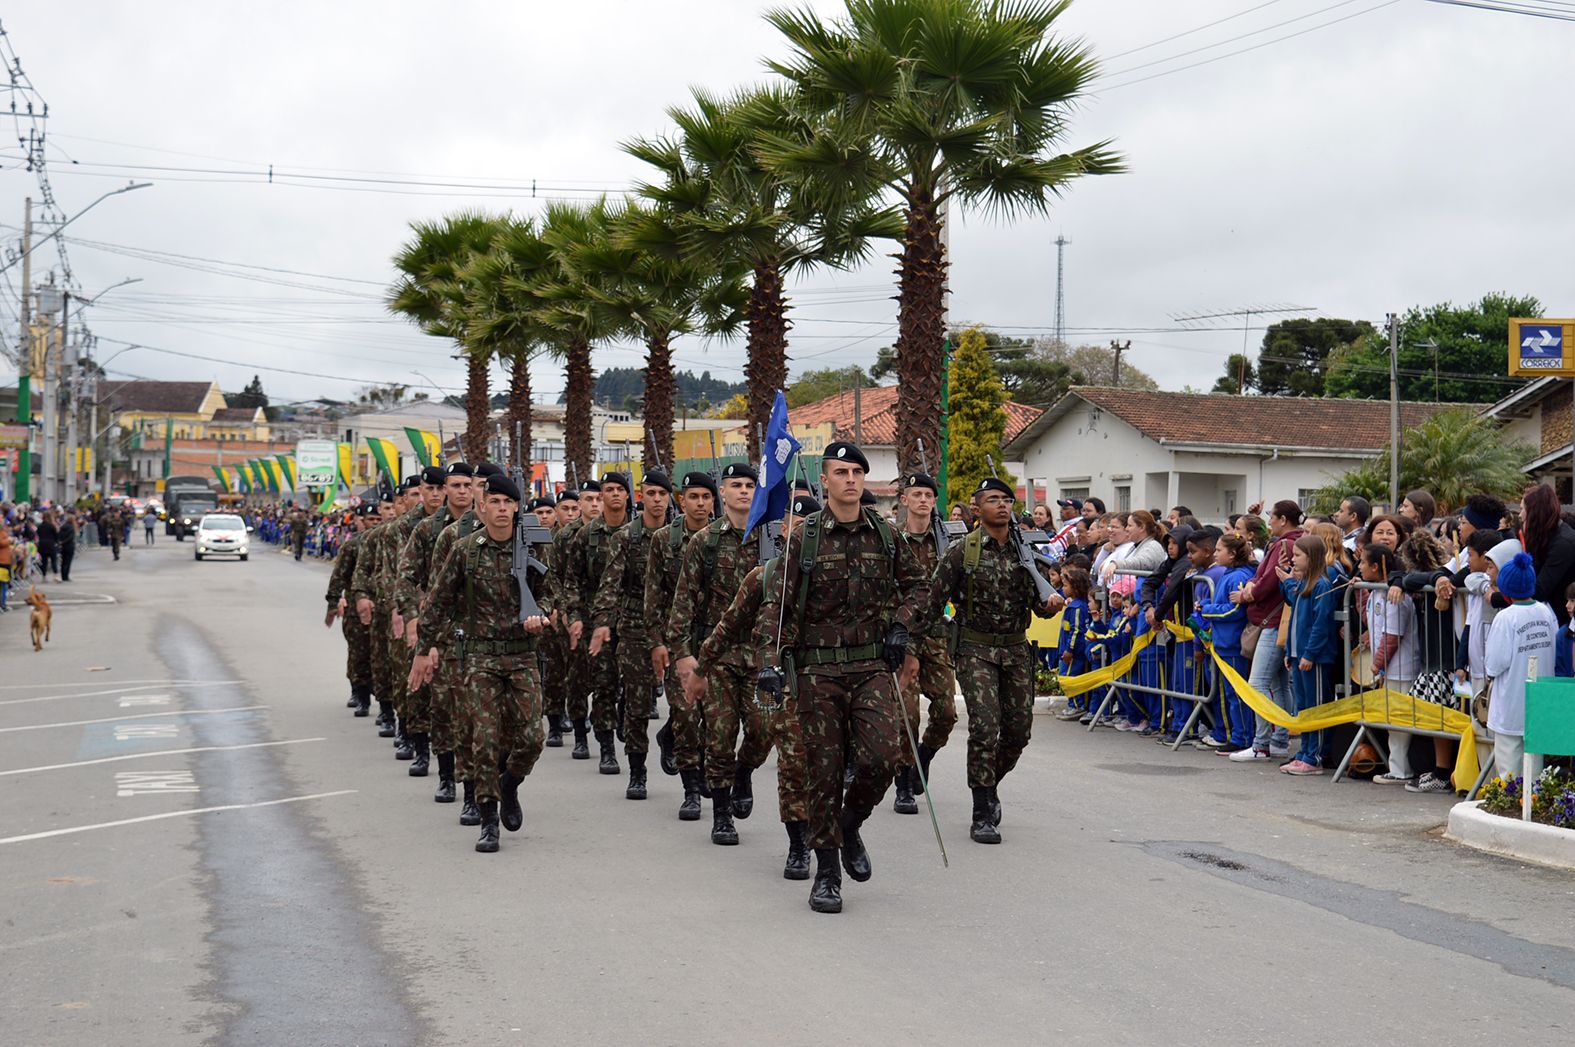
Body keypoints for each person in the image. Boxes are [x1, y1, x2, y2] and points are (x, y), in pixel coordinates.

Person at [751, 442, 932, 913]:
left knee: (882, 758)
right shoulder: (806, 538)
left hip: (871, 667)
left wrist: (901, 626)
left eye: (857, 472)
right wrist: (769, 662)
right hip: (818, 671)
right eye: (841, 472)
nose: (850, 479)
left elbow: (919, 587)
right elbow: (777, 604)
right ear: (825, 480)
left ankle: (850, 825)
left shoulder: (886, 535)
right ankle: (827, 873)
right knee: (824, 772)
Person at [912, 474, 1062, 846]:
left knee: (1018, 732)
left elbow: (1039, 606)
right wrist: (911, 648)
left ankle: (989, 784)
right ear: (977, 508)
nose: (1002, 505)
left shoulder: (1025, 553)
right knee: (984, 726)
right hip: (974, 649)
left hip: (1015, 650)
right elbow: (932, 602)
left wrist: (1050, 604)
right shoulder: (962, 551)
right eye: (993, 499)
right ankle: (981, 811)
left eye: (1007, 500)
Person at [418, 472, 549, 853]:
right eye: (495, 502)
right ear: (483, 506)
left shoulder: (534, 546)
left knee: (532, 738)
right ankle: (488, 819)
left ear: (517, 507)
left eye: (508, 503)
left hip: (522, 654)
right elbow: (437, 603)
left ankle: (510, 784)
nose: (502, 509)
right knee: (485, 739)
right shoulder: (466, 550)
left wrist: (542, 614)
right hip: (480, 657)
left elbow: (554, 592)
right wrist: (424, 650)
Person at [672, 463, 772, 846]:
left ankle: (744, 771)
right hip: (718, 654)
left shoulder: (773, 539)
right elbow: (683, 601)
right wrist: (684, 655)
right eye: (736, 485)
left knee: (764, 729)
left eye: (750, 485)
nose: (744, 491)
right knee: (719, 735)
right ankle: (722, 814)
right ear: (723, 493)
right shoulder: (705, 542)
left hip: (762, 654)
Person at [589, 471, 673, 801]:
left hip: (675, 624)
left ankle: (673, 738)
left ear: (670, 498)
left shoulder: (680, 535)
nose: (657, 499)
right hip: (636, 626)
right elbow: (609, 585)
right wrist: (602, 623)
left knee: (685, 704)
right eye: (651, 493)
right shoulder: (627, 537)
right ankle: (638, 771)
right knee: (638, 705)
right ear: (642, 496)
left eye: (662, 494)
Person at [398, 463, 477, 789]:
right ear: (445, 489)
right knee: (440, 704)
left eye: (467, 485)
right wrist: (413, 618)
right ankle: (443, 773)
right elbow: (406, 578)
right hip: (438, 627)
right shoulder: (428, 530)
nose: (462, 491)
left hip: (477, 628)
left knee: (473, 710)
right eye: (455, 485)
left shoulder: (486, 526)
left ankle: (474, 781)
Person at [646, 471, 718, 821]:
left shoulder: (723, 537)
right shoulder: (664, 540)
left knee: (712, 718)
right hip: (680, 639)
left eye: (706, 497)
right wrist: (657, 642)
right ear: (682, 501)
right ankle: (691, 789)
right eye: (694, 497)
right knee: (688, 714)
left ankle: (673, 739)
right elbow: (654, 595)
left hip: (716, 641)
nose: (700, 503)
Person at [891, 472, 958, 814]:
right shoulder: (892, 541)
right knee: (907, 714)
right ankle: (903, 783)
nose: (922, 500)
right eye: (916, 494)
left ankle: (924, 755)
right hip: (904, 635)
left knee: (946, 712)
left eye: (928, 495)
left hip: (936, 635)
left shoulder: (948, 544)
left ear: (934, 501)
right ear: (904, 500)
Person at [1228, 500, 1305, 763]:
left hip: (1273, 621)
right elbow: (1263, 574)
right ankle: (1279, 740)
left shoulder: (1286, 544)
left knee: (1258, 683)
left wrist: (1249, 593)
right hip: (1275, 620)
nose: (1269, 521)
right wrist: (1252, 585)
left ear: (1283, 520)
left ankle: (1261, 743)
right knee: (1279, 684)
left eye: (1272, 517)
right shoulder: (1286, 542)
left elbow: (1270, 579)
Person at [566, 472, 633, 775]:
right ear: (602, 495)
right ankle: (607, 748)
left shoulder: (639, 533)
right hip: (596, 621)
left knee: (633, 684)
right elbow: (572, 580)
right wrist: (575, 617)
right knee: (603, 684)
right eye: (609, 489)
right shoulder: (587, 535)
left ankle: (626, 720)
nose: (615, 494)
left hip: (633, 620)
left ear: (628, 495)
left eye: (620, 489)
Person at [1484, 553, 1557, 781]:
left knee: (1509, 772)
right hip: (1538, 701)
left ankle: (1511, 802)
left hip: (1511, 702)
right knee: (1534, 771)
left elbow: (1494, 664)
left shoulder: (1506, 618)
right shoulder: (1546, 612)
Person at [1278, 534, 1339, 775]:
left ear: (1311, 558)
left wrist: (1310, 654)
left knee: (1315, 707)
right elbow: (1293, 610)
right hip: (1298, 654)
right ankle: (1304, 752)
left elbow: (1320, 624)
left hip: (1314, 658)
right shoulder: (1304, 583)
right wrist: (1290, 651)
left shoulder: (1321, 585)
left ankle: (1315, 756)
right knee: (1303, 706)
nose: (1293, 560)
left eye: (1297, 555)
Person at [1198, 533, 1257, 754]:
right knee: (1230, 694)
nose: (1215, 554)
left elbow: (1234, 610)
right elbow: (1222, 601)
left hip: (1231, 643)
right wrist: (1205, 603)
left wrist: (1207, 610)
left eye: (1219, 550)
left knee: (1236, 694)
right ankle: (1239, 735)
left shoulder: (1238, 576)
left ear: (1232, 554)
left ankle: (1242, 737)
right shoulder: (1229, 573)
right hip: (1223, 642)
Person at [1516, 483, 1575, 677]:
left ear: (1535, 512)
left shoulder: (1564, 542)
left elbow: (1539, 589)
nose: (1520, 515)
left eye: (1523, 509)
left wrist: (1498, 596)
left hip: (1567, 628)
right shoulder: (1545, 537)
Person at [326, 505, 376, 717]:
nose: (375, 523)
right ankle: (360, 694)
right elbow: (339, 575)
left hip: (382, 608)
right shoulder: (353, 545)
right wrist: (333, 603)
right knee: (359, 654)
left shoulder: (389, 540)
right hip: (356, 609)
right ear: (362, 520)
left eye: (378, 519)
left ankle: (383, 701)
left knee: (381, 657)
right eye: (371, 519)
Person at [37, 510, 59, 577]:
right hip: (51, 544)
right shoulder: (51, 526)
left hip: (42, 544)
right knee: (53, 560)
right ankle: (55, 575)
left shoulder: (40, 526)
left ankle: (44, 576)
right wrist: (57, 542)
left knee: (44, 561)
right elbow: (56, 535)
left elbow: (38, 534)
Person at [58, 511, 76, 583]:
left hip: (63, 546)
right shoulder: (71, 528)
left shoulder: (62, 527)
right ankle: (66, 576)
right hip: (69, 546)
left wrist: (61, 542)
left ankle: (63, 576)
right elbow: (70, 537)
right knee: (68, 562)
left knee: (63, 561)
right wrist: (65, 541)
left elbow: (59, 535)